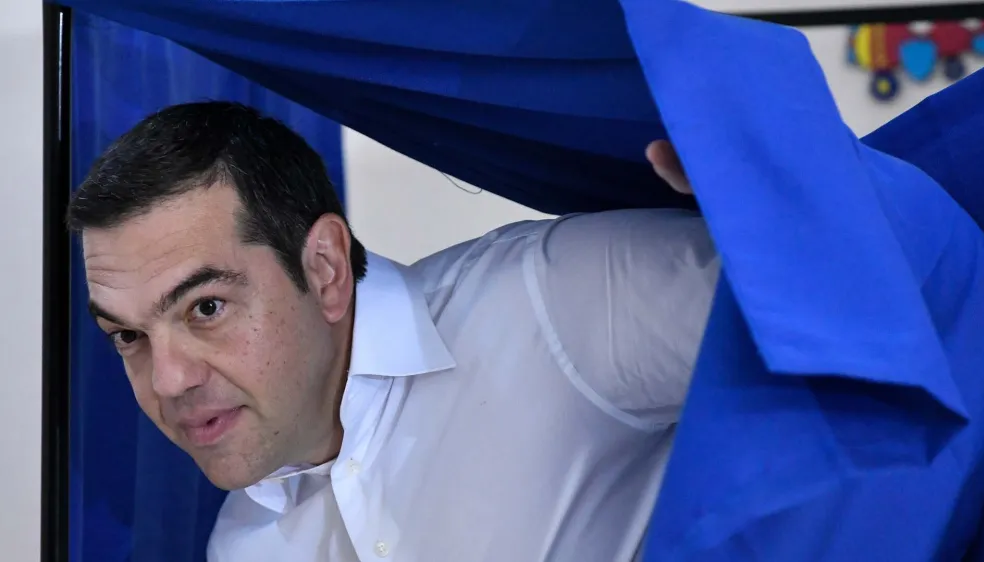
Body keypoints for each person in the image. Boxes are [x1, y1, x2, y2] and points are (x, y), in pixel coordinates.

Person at [67, 101, 717, 562]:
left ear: (323, 269)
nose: (168, 380)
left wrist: (762, 208)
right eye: (128, 336)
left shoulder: (555, 299)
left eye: (205, 308)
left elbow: (803, 315)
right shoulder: (244, 545)